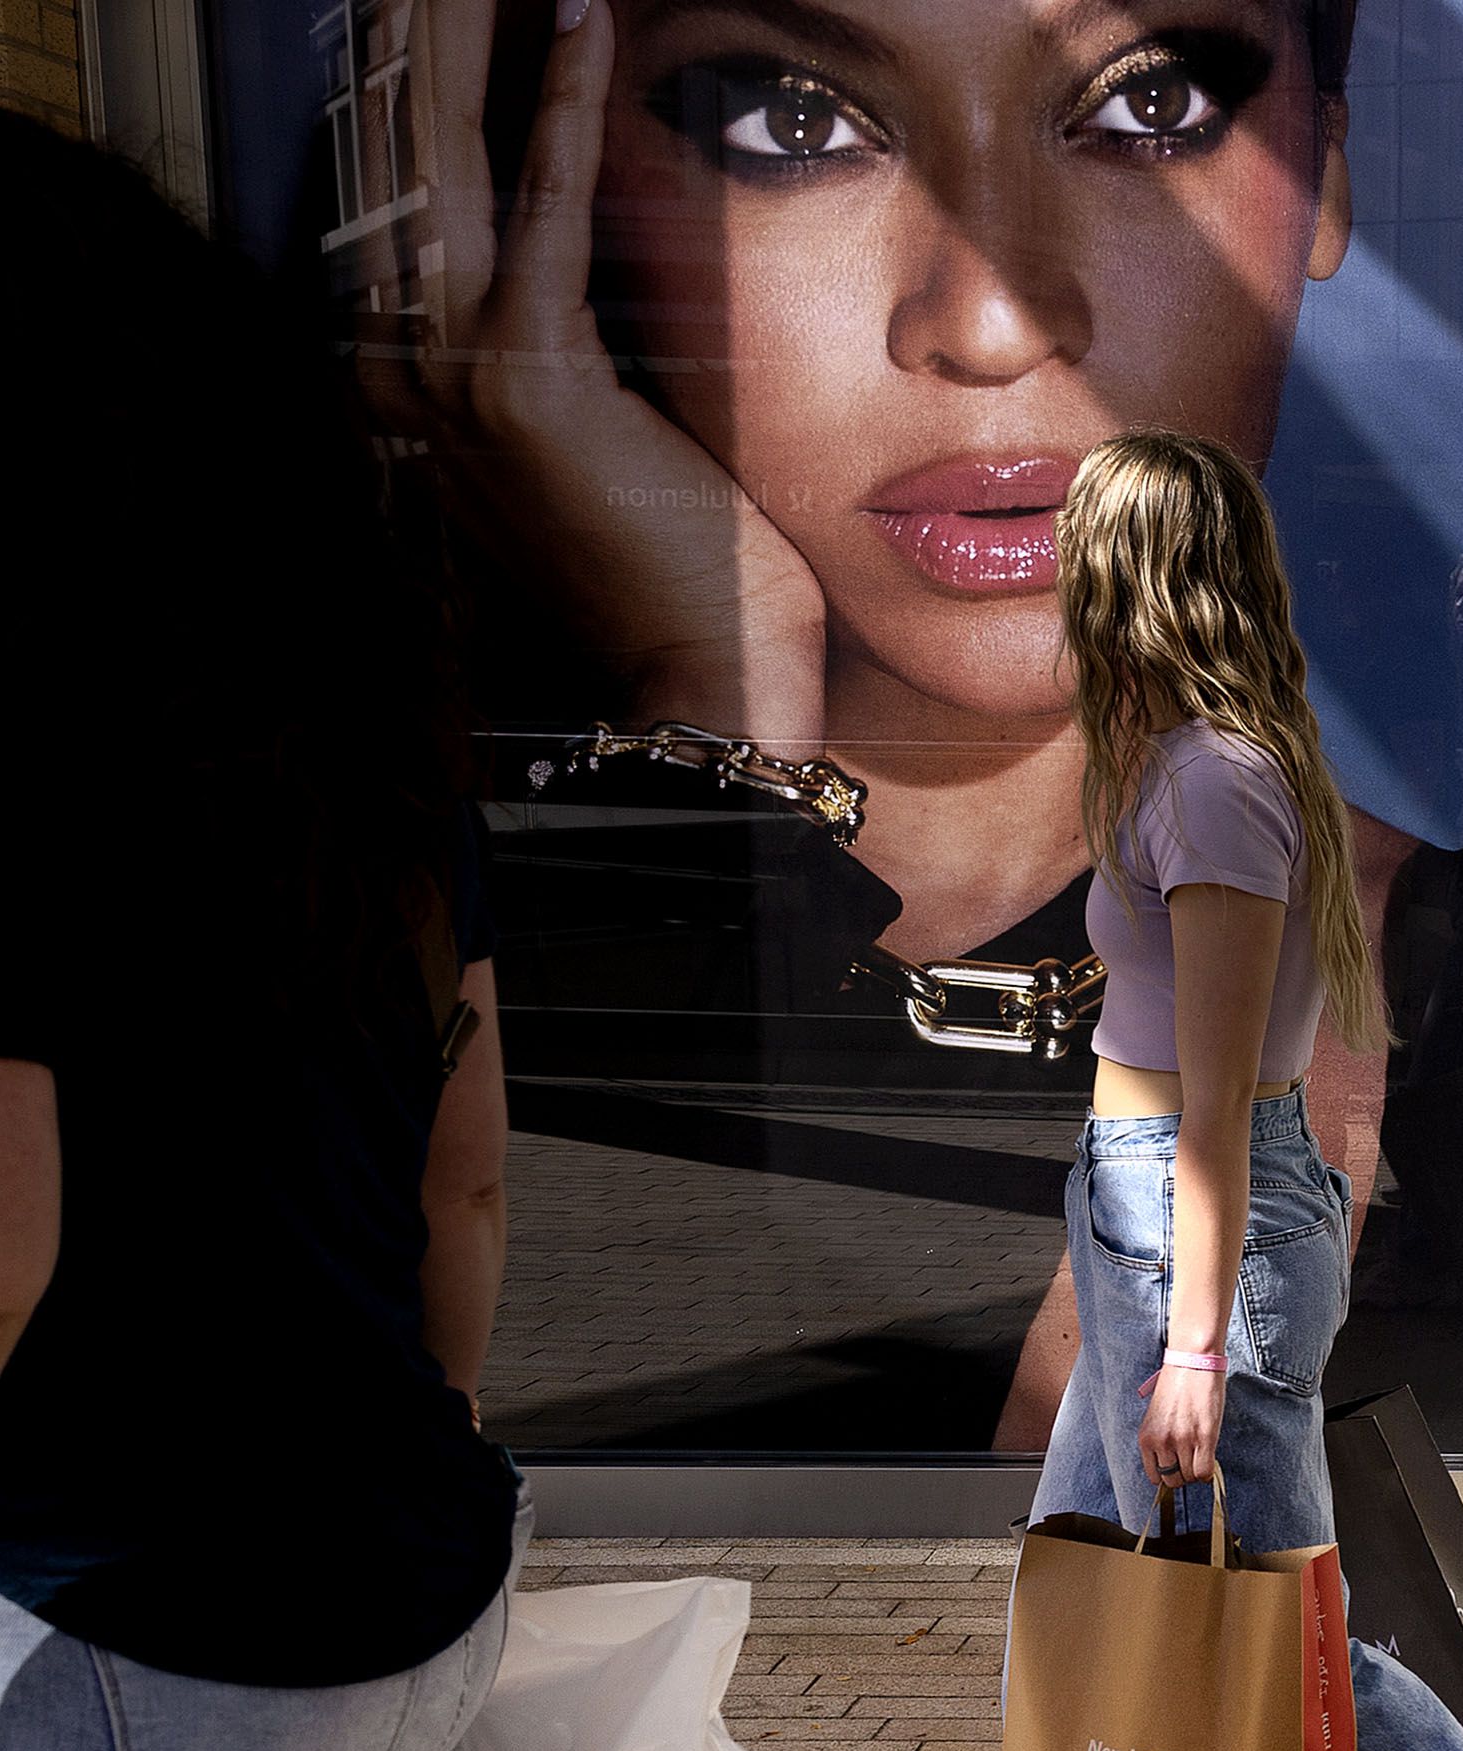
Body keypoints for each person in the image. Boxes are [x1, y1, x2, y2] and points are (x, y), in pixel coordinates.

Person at [374, 0, 1410, 1447]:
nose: (992, 322)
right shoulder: (390, 892)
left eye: (1149, 107)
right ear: (547, 213)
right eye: (792, 124)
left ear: (1323, 175)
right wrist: (713, 679)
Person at [841, 431, 1463, 1751]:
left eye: (1078, 547)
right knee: (1087, 1593)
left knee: (1267, 1643)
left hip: (1192, 1228)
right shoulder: (1178, 756)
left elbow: (1221, 1104)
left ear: (1122, 573)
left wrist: (1197, 1348)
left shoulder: (1215, 778)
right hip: (1141, 1213)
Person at [0, 113, 526, 1751]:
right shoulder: (351, 699)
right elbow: (465, 1180)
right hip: (401, 1586)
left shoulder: (10, 745)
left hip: (137, 1667)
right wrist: (420, 1437)